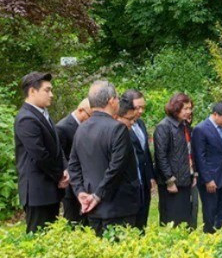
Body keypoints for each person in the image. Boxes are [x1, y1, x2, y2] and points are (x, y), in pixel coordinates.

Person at [68, 81, 141, 237]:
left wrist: (80, 192)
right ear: (111, 101)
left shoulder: (81, 128)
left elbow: (73, 166)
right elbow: (116, 168)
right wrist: (97, 196)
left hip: (93, 207)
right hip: (118, 206)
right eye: (116, 98)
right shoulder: (118, 129)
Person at [14, 72, 68, 233]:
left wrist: (65, 169)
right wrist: (60, 175)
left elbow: (57, 148)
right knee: (39, 237)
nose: (51, 95)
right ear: (32, 91)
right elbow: (40, 155)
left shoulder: (42, 114)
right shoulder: (26, 118)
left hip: (49, 189)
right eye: (47, 90)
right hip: (38, 192)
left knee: (51, 237)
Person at [193, 102, 222, 233]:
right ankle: (210, 236)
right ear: (215, 115)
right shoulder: (201, 129)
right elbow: (200, 158)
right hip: (210, 178)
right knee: (210, 210)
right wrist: (207, 179)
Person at [154, 93, 196, 228]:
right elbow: (161, 156)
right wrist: (169, 180)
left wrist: (193, 173)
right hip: (172, 183)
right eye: (185, 109)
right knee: (172, 220)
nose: (189, 111)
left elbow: (189, 151)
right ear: (176, 108)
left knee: (186, 220)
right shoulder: (164, 126)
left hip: (185, 178)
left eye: (190, 108)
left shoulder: (184, 126)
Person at [123, 89, 156, 230]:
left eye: (143, 107)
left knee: (143, 217)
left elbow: (145, 152)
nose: (141, 111)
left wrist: (151, 176)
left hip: (144, 178)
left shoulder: (141, 124)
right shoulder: (122, 126)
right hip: (131, 180)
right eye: (137, 107)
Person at [55, 98, 92, 224]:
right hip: (71, 184)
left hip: (86, 180)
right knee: (73, 219)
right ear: (81, 110)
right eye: (90, 116)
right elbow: (60, 155)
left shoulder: (87, 126)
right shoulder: (62, 127)